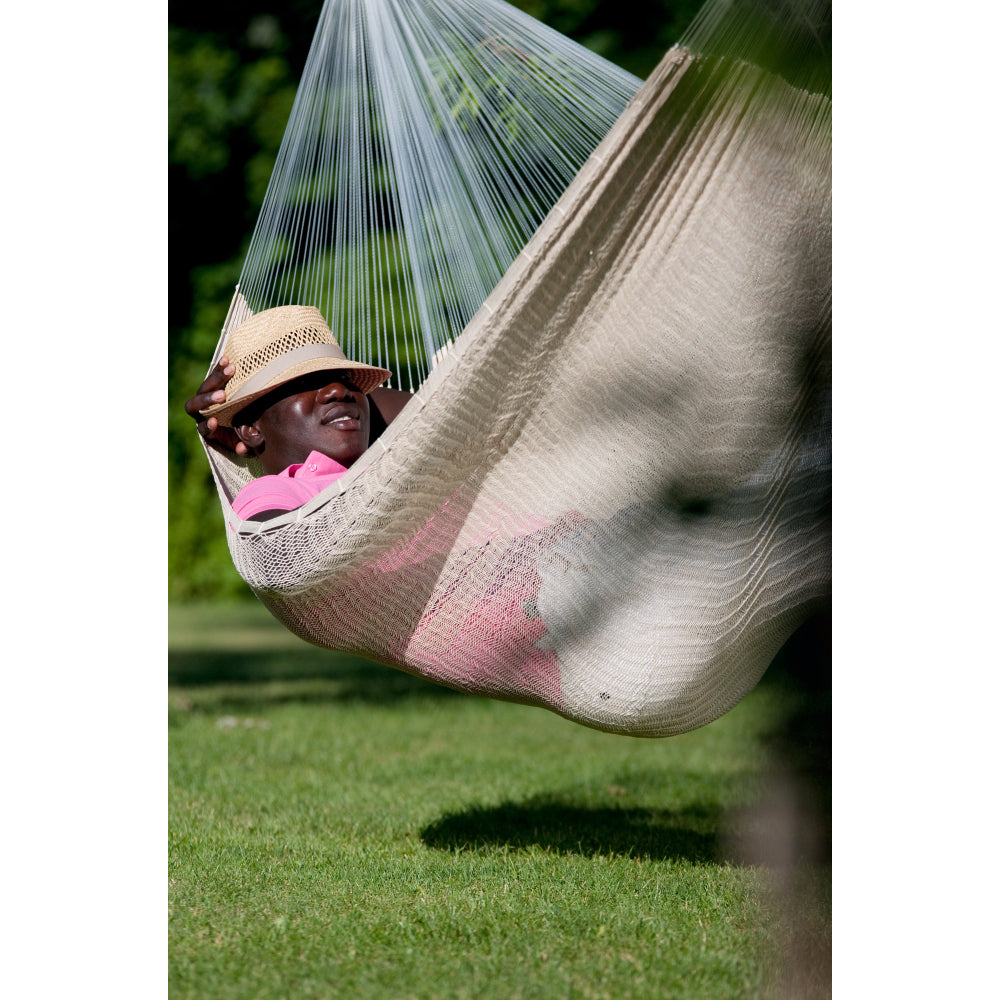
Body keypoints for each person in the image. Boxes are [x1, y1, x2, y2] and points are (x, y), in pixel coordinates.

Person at [185, 304, 413, 521]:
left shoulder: (392, 457)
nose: (339, 390)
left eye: (345, 378)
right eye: (304, 382)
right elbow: (281, 546)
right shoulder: (270, 493)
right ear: (250, 428)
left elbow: (431, 411)